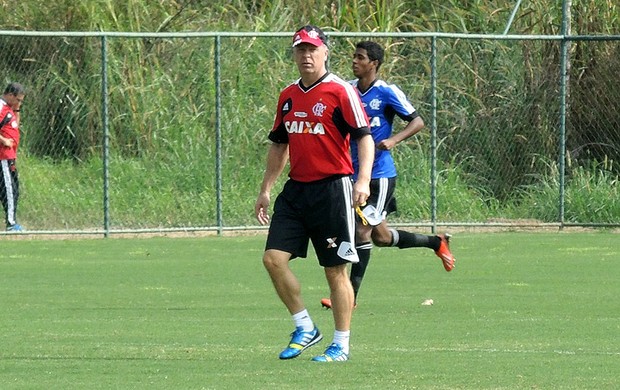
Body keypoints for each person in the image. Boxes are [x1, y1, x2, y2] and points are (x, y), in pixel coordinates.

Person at [254, 25, 374, 362]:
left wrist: (362, 180)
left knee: (335, 271)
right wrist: (266, 188)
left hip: (332, 190)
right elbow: (279, 144)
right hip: (296, 191)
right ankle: (305, 326)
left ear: (325, 52)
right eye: (300, 50)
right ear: (294, 54)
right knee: (272, 259)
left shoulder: (339, 92)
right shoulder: (288, 95)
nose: (306, 55)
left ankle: (341, 345)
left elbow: (364, 137)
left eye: (312, 49)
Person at [320, 41, 456, 310]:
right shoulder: (346, 90)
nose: (354, 61)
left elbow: (417, 121)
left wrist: (394, 140)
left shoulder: (386, 92)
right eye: (354, 57)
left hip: (379, 176)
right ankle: (435, 242)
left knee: (361, 231)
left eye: (360, 58)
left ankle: (350, 297)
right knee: (380, 237)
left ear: (374, 63)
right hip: (352, 174)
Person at [0, 82, 25, 232]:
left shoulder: (9, 108)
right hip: (3, 156)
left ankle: (12, 221)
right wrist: (3, 140)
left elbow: (15, 125)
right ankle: (11, 223)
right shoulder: (1, 106)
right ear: (10, 95)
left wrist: (17, 109)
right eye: (19, 100)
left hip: (10, 156)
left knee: (13, 189)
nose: (20, 103)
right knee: (10, 190)